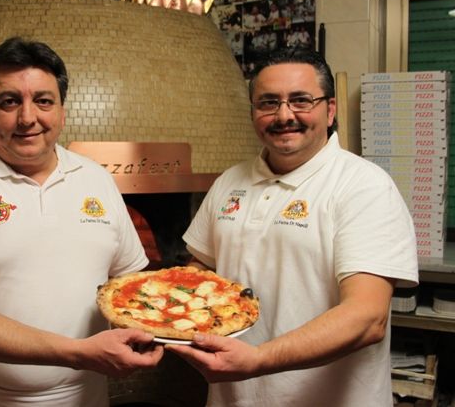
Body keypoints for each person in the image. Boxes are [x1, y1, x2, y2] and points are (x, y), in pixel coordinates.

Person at [0, 37, 164, 406]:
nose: (28, 118)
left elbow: (131, 284)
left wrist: (179, 323)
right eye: (9, 102)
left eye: (43, 101)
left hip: (85, 395)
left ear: (61, 112)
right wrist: (78, 353)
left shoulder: (96, 178)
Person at [166, 48, 418, 406]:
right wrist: (163, 312)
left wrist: (258, 360)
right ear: (253, 112)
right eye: (269, 103)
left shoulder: (364, 186)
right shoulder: (229, 182)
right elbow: (201, 270)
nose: (284, 115)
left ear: (330, 110)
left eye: (301, 101)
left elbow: (367, 317)